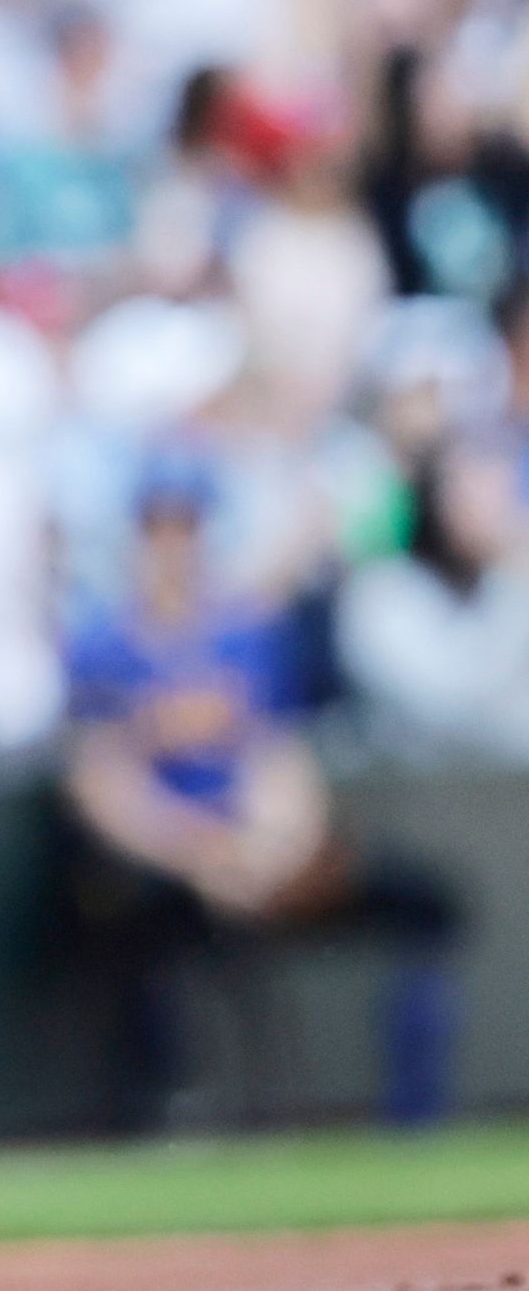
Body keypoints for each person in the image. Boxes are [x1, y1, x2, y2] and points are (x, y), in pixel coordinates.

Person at [62, 460, 466, 1130]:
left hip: (251, 853)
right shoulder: (102, 644)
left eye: (186, 528)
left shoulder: (248, 634)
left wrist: (274, 847)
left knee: (427, 899)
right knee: (132, 912)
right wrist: (202, 855)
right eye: (158, 528)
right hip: (168, 861)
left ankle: (416, 1112)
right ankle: (170, 1115)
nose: (173, 544)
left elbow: (276, 758)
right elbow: (102, 785)